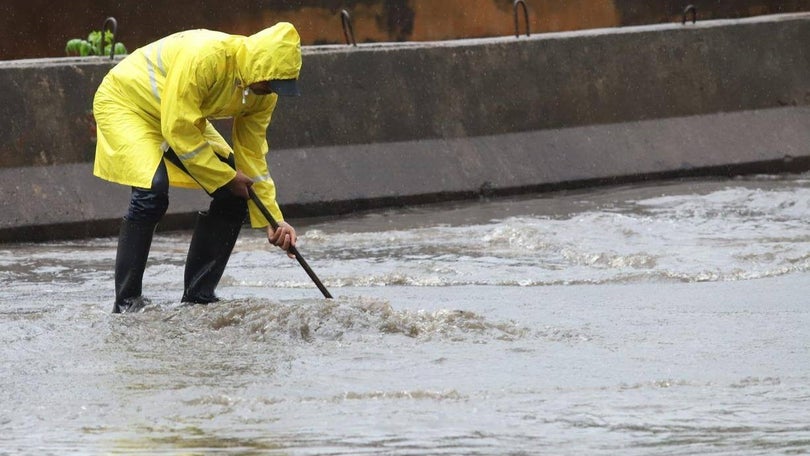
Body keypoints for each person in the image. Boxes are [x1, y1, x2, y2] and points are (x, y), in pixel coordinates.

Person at [92, 22, 302, 313]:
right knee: (151, 193)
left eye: (278, 87)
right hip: (128, 104)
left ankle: (198, 297)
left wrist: (274, 219)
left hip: (178, 115)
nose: (270, 91)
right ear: (258, 67)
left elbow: (252, 156)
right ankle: (127, 302)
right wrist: (227, 177)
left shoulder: (262, 93)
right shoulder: (207, 57)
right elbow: (178, 129)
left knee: (237, 194)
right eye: (269, 83)